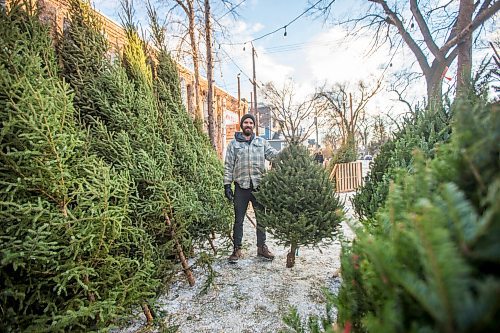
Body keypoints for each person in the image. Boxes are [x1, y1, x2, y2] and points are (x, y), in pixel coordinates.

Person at [224, 113, 279, 263]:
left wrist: (289, 153)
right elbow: (228, 166)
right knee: (238, 220)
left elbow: (274, 155)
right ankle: (237, 249)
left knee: (261, 219)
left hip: (258, 187)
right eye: (246, 122)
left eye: (250, 123)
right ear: (241, 125)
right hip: (241, 187)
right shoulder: (233, 144)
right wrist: (227, 185)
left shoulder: (261, 142)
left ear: (254, 126)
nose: (248, 125)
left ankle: (261, 248)